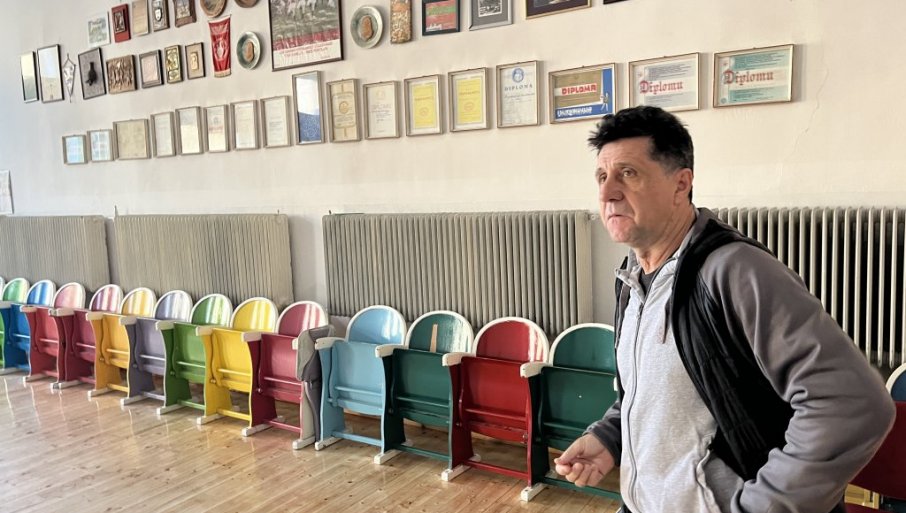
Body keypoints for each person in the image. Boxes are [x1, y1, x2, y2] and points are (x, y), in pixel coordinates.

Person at [554, 105, 896, 513]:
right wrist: (610, 437)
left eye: (628, 173)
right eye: (601, 176)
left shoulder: (735, 271)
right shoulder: (632, 279)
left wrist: (764, 507)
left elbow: (853, 404)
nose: (607, 192)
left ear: (681, 184)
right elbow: (650, 392)